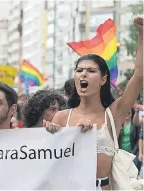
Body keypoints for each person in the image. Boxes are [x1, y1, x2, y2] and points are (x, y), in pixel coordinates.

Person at [45, 15, 143, 190]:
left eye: (91, 70)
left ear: (103, 79)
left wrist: (142, 34)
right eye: (79, 70)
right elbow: (49, 164)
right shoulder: (61, 117)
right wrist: (54, 135)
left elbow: (139, 75)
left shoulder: (114, 113)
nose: (83, 74)